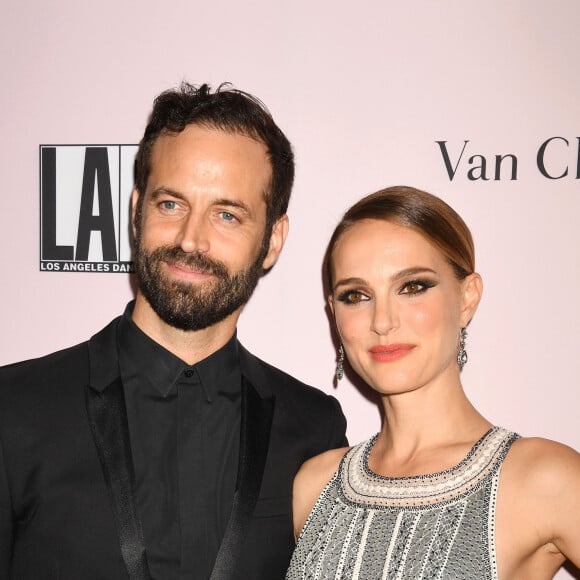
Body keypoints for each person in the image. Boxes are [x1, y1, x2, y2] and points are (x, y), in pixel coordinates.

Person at [0, 83, 347, 580]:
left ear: (272, 240)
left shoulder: (314, 429)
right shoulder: (13, 410)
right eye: (170, 204)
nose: (191, 239)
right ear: (137, 211)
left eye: (227, 214)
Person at [287, 186, 580, 579]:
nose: (382, 321)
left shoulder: (544, 478)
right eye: (356, 295)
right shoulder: (314, 485)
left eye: (412, 287)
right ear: (334, 314)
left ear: (467, 298)